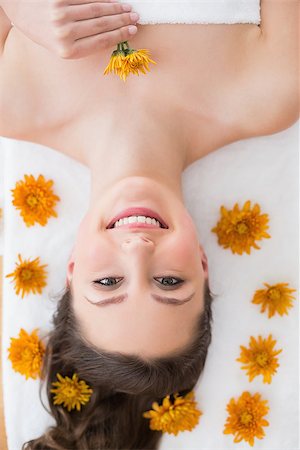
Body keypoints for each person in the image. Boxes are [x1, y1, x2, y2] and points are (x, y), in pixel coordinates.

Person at [0, 1, 298, 449]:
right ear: (202, 265)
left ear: (73, 268)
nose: (138, 249)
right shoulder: (272, 92)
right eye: (168, 280)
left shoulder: (11, 100)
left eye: (107, 282)